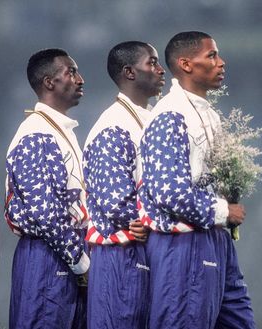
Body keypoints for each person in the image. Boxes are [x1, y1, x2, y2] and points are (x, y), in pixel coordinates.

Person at [137, 31, 255, 328]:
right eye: (212, 56)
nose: (221, 62)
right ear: (186, 64)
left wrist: (227, 196)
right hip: (182, 244)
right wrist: (223, 210)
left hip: (214, 239)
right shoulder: (170, 114)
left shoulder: (209, 115)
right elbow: (170, 192)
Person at [5, 48, 90, 329]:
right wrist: (81, 261)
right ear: (49, 82)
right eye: (71, 72)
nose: (80, 79)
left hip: (65, 250)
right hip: (47, 255)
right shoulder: (36, 133)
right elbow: (45, 213)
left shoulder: (59, 130)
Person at [83, 41, 165, 328]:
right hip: (120, 253)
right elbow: (114, 198)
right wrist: (154, 220)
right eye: (152, 62)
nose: (160, 69)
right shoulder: (113, 124)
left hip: (143, 246)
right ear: (129, 72)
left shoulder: (151, 119)